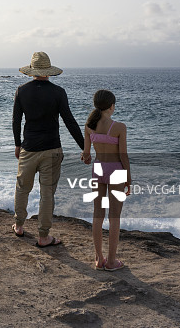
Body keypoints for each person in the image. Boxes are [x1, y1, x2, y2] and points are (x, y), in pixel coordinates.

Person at [12, 52, 85, 247]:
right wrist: (85, 147)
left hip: (28, 149)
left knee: (22, 188)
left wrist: (17, 144)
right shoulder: (58, 92)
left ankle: (19, 225)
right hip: (52, 149)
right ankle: (44, 236)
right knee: (47, 194)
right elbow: (70, 121)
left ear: (32, 71)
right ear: (48, 72)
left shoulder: (21, 91)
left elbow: (16, 120)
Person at [81, 89, 131, 271]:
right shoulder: (119, 127)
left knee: (98, 214)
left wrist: (85, 157)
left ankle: (99, 258)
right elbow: (123, 156)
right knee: (114, 216)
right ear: (112, 106)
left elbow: (87, 156)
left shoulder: (88, 126)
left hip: (98, 168)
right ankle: (111, 262)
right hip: (116, 170)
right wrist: (129, 179)